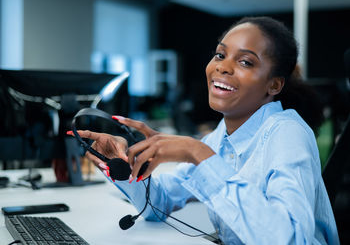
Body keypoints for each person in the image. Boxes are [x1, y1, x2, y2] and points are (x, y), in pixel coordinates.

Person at [72, 16, 339, 244]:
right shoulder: (221, 136)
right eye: (220, 55)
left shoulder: (286, 132)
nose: (223, 66)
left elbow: (290, 239)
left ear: (274, 85)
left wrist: (197, 152)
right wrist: (120, 164)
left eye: (246, 62)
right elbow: (160, 202)